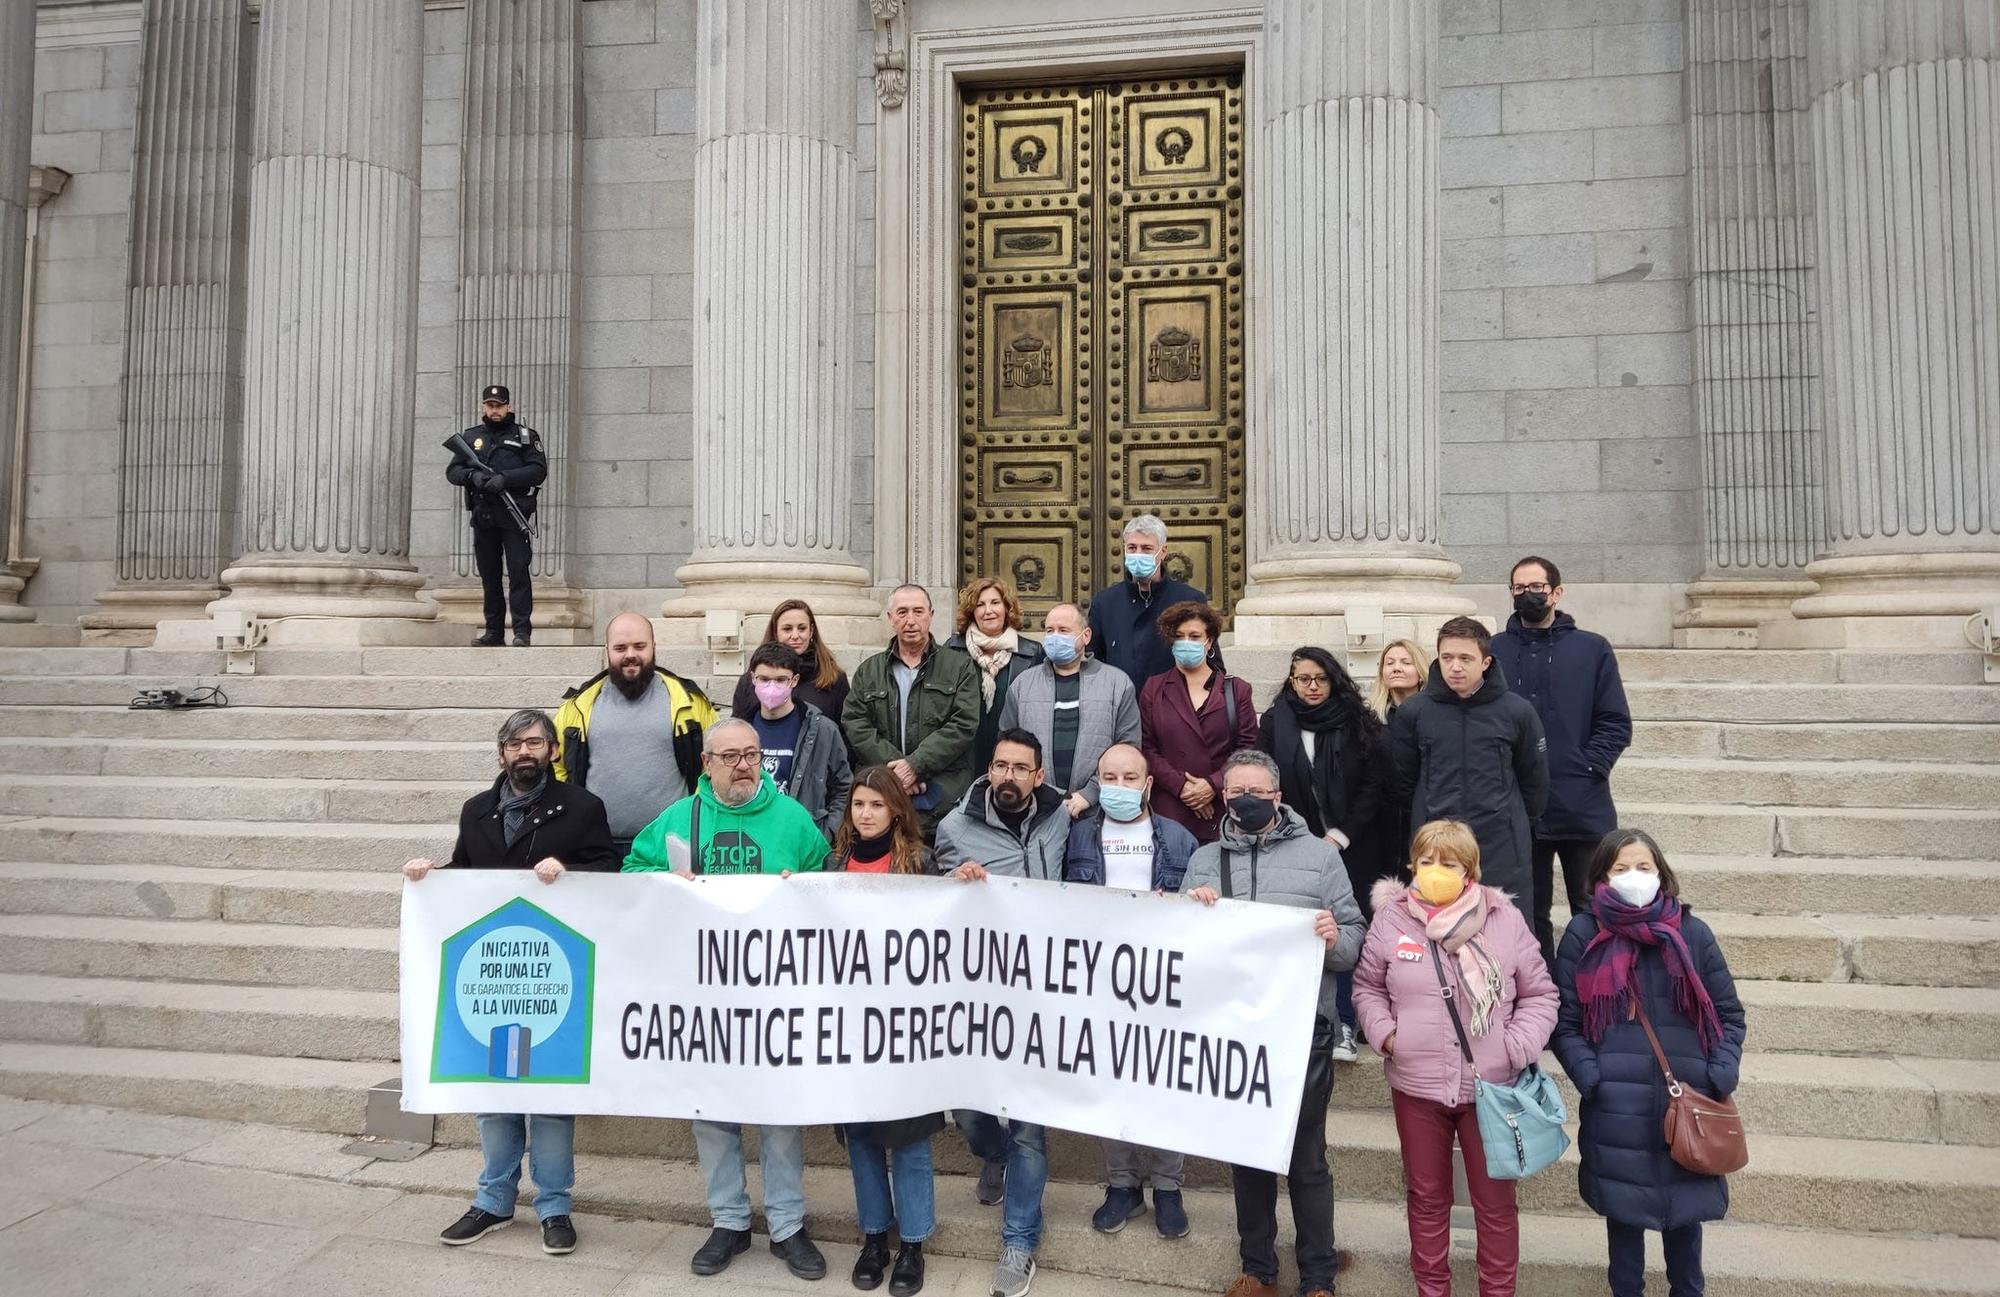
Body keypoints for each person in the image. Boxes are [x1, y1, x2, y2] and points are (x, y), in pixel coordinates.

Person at [402, 708, 617, 1257]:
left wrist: (567, 875)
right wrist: (432, 878)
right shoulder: (476, 811)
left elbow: (608, 873)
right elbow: (467, 878)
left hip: (553, 973)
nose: (526, 752)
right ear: (501, 753)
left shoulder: (582, 807)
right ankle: (493, 1200)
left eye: (536, 742)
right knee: (493, 1091)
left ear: (552, 751)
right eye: (515, 744)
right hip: (492, 973)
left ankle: (554, 1207)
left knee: (548, 1093)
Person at [622, 719, 829, 1280]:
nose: (744, 765)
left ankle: (788, 1225)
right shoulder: (679, 819)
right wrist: (673, 884)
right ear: (706, 764)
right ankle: (730, 1221)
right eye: (731, 756)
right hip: (704, 995)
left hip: (776, 994)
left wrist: (802, 890)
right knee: (712, 1110)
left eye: (753, 754)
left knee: (780, 1109)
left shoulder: (793, 818)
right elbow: (634, 870)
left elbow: (825, 884)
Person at [1179, 749, 1365, 1297]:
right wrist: (1193, 914)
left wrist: (1334, 937)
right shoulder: (1205, 859)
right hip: (1234, 1032)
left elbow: (1352, 944)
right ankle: (1257, 1269)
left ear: (1278, 797)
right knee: (1249, 1153)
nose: (1245, 801)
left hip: (1303, 1030)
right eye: (1235, 792)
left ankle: (1318, 1277)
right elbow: (1184, 947)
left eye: (1257, 792)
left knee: (1306, 1158)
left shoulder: (1321, 858)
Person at [1351, 819, 1559, 1297]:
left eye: (1449, 862)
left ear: (1470, 869)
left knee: (1494, 1203)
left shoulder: (1503, 919)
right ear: (1412, 864)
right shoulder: (1392, 920)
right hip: (1417, 1085)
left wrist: (1517, 1046)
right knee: (1426, 1198)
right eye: (1427, 861)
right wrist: (1385, 1036)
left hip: (1493, 1087)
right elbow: (1367, 987)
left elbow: (1541, 994)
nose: (1436, 870)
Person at [1554, 829, 1746, 1297]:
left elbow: (1729, 1014)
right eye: (1621, 869)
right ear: (1600, 876)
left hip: (1690, 1103)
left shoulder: (1691, 933)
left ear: (1661, 872)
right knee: (1624, 1238)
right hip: (1618, 1110)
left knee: (1686, 1232)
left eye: (1643, 867)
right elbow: (1565, 1022)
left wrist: (1719, 1074)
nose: (1633, 877)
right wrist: (1592, 1077)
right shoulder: (1585, 933)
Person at [938, 730, 1074, 1297]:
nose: (1010, 776)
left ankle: (1019, 1244)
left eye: (1022, 768)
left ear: (1038, 776)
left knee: (1028, 1130)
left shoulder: (1066, 819)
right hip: (977, 996)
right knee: (969, 1114)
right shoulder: (954, 826)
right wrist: (954, 881)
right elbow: (935, 904)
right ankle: (990, 1156)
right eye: (1000, 766)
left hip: (1041, 997)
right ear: (988, 770)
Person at [1061, 742, 1199, 1239]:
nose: (1118, 787)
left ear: (1148, 783)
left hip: (1162, 983)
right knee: (1108, 1081)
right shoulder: (1076, 836)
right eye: (1108, 778)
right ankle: (1121, 1185)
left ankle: (1167, 1186)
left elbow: (1202, 912)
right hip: (1098, 981)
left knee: (1164, 1083)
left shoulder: (1180, 840)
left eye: (1128, 777)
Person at [828, 767, 940, 1294]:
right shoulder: (833, 864)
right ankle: (875, 1236)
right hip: (849, 1024)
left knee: (910, 1138)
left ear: (896, 809)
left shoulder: (918, 862)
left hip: (905, 1027)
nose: (865, 813)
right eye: (858, 805)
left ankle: (913, 1244)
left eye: (876, 804)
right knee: (862, 1136)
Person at [1490, 556, 1634, 964]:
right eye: (1518, 588)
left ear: (1556, 592)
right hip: (1518, 810)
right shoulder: (1495, 651)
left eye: (1535, 587)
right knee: (1526, 918)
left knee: (1592, 914)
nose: (1527, 595)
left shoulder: (1592, 648)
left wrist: (1589, 768)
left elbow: (1614, 722)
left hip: (1582, 807)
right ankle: (1541, 1009)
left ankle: (1593, 1004)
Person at [1257, 646, 1391, 1063]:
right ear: (1291, 680)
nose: (1312, 687)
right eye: (1303, 679)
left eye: (1320, 678)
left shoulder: (1357, 722)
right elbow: (1269, 778)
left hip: (1354, 844)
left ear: (1334, 680)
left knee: (1345, 932)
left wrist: (1339, 835)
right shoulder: (1274, 722)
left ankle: (1346, 1022)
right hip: (1293, 843)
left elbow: (1374, 785)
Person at [1389, 617, 1549, 924]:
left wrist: (1510, 821)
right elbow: (1403, 780)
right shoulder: (1414, 712)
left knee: (1504, 933)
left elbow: (1535, 780)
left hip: (1501, 845)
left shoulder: (1517, 711)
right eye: (1447, 658)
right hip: (1435, 843)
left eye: (1466, 658)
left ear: (1486, 661)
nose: (1455, 667)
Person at [553, 611, 717, 860]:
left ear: (654, 646)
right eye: (620, 647)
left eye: (639, 646)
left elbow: (714, 766)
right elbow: (556, 767)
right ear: (606, 650)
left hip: (669, 843)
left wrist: (692, 817)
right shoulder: (577, 707)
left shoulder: (691, 703)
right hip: (597, 845)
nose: (630, 654)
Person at [844, 585, 984, 838]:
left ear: (931, 615)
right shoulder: (869, 671)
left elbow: (964, 724)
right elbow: (856, 723)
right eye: (902, 612)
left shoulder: (960, 667)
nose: (910, 620)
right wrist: (897, 773)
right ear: (890, 618)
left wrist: (916, 765)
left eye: (918, 611)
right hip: (882, 800)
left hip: (941, 799)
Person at [998, 602, 1140, 817]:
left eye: (1063, 631)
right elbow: (1006, 744)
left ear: (1086, 636)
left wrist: (1090, 794)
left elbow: (1129, 746)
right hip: (1037, 810)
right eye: (1049, 631)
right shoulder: (1022, 684)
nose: (1055, 637)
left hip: (1097, 811)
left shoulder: (1117, 684)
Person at [1138, 601, 1257, 845]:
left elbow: (1248, 748)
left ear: (1209, 642)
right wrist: (1183, 788)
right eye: (1179, 636)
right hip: (1171, 807)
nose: (1186, 642)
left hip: (1221, 806)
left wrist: (1211, 785)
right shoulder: (1153, 688)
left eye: (1194, 636)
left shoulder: (1237, 689)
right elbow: (1146, 747)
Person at [446, 383, 547, 647]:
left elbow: (538, 471)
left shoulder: (524, 436)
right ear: (483, 406)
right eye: (490, 405)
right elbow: (453, 472)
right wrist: (473, 475)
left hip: (514, 512)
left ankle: (521, 631)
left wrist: (505, 479)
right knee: (489, 575)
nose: (495, 410)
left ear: (508, 407)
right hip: (484, 513)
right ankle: (494, 631)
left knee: (518, 572)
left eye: (499, 405)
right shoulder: (470, 437)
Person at [1087, 514, 1215, 685]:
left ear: (1162, 552)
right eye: (1132, 548)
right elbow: (1094, 662)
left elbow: (1211, 662)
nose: (1138, 554)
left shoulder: (1190, 599)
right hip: (1121, 705)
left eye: (1146, 548)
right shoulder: (1104, 602)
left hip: (1172, 704)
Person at [744, 642, 852, 841]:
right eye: (764, 679)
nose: (771, 687)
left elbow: (844, 789)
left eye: (780, 680)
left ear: (794, 681)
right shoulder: (740, 729)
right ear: (753, 679)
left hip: (802, 840)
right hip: (749, 836)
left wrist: (825, 833)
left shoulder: (822, 730)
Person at [945, 576, 1047, 773]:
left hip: (1011, 756)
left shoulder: (1031, 652)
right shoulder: (953, 650)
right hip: (963, 755)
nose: (988, 611)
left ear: (1007, 608)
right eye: (980, 605)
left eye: (995, 603)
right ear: (972, 611)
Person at [730, 598, 851, 726]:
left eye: (802, 628)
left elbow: (844, 733)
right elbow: (738, 730)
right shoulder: (750, 681)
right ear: (775, 632)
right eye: (787, 629)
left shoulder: (834, 678)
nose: (795, 635)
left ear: (811, 631)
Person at [1369, 638, 1429, 724]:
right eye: (1390, 663)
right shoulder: (1370, 717)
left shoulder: (1435, 714)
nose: (1396, 668)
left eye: (1406, 663)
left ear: (1420, 672)